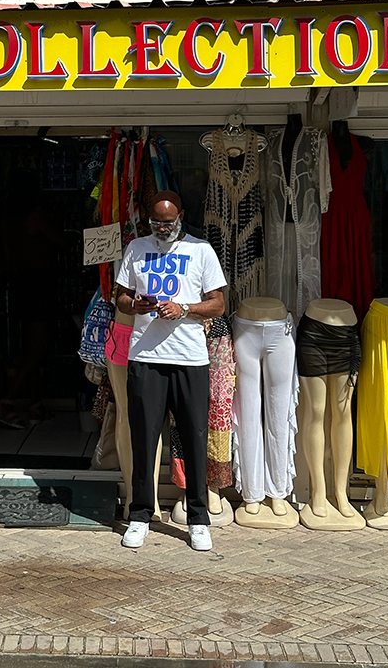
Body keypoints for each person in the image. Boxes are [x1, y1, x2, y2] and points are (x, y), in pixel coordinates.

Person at [116, 191, 226, 552]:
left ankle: (198, 518)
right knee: (144, 439)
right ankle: (140, 515)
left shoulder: (200, 250)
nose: (163, 228)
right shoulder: (136, 248)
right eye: (157, 222)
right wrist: (136, 304)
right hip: (146, 356)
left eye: (169, 221)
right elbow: (120, 297)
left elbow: (218, 305)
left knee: (194, 439)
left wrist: (184, 308)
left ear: (181, 217)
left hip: (189, 358)